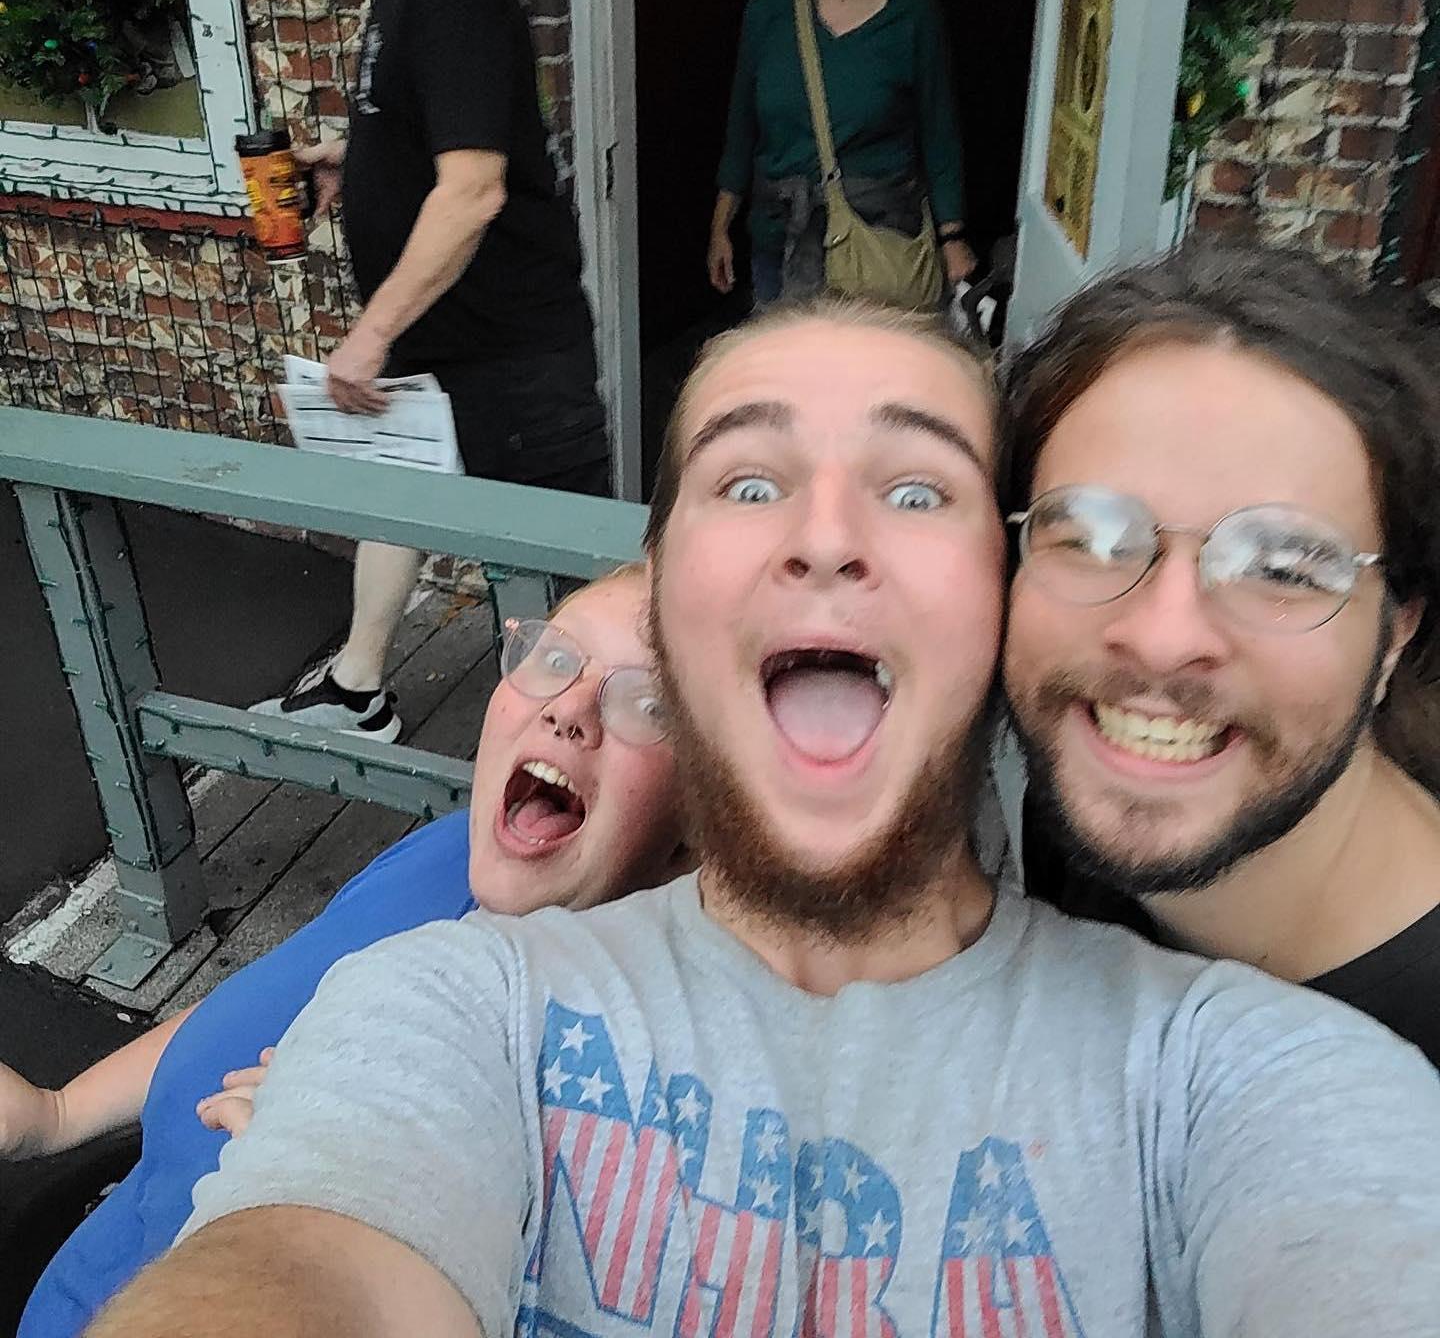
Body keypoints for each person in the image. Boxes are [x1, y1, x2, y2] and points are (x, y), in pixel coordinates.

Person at [88, 296, 1440, 1338]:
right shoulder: (454, 1003)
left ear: (1006, 598)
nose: (826, 535)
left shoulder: (1242, 1084)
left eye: (917, 490)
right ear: (664, 593)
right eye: (747, 482)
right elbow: (306, 1267)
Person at [7, 566, 681, 1338]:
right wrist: (54, 1115)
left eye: (648, 704)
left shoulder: (619, 1108)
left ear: (699, 828)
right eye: (557, 658)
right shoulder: (444, 856)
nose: (569, 707)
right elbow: (245, 1013)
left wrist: (325, 1188)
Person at [1004, 242, 1440, 1067]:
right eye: (1092, 539)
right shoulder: (1079, 791)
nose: (1162, 641)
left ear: (1396, 632)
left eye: (1282, 569)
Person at [250, 0, 610, 743]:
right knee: (400, 491)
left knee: (563, 599)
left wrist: (371, 334)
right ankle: (357, 690)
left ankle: (595, 778)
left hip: (507, 353)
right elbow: (453, 128)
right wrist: (364, 160)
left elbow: (474, 190)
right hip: (445, 344)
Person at [708, 0, 975, 307]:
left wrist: (952, 238)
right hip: (780, 244)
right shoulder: (767, 10)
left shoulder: (913, 12)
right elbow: (741, 129)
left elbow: (939, 134)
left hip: (876, 246)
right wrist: (720, 227)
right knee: (784, 348)